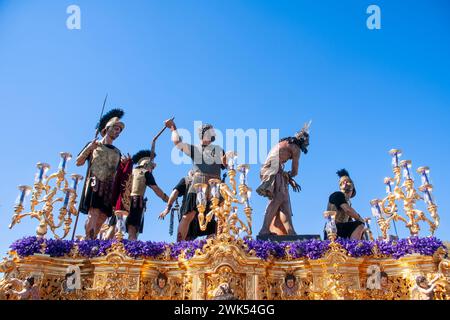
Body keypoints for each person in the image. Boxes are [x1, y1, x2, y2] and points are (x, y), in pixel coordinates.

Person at [164, 119, 227, 241]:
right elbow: (177, 142)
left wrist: (227, 158)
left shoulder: (218, 149)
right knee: (189, 215)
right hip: (199, 183)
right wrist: (173, 128)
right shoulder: (195, 149)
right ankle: (180, 246)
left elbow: (226, 165)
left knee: (219, 216)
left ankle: (217, 245)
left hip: (216, 185)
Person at [76, 109, 127, 239]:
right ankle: (88, 241)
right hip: (95, 182)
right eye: (115, 129)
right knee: (94, 212)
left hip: (109, 186)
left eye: (119, 131)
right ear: (107, 128)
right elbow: (79, 162)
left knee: (103, 216)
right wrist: (89, 148)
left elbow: (119, 172)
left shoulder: (117, 152)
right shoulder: (94, 145)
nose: (118, 132)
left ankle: (92, 239)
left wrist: (124, 164)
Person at [257, 122, 310, 236]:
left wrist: (289, 180)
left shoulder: (284, 143)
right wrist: (291, 177)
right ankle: (264, 229)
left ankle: (291, 231)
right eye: (307, 142)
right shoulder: (296, 148)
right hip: (273, 171)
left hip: (274, 171)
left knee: (285, 202)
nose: (307, 144)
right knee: (278, 198)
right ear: (302, 140)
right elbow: (295, 171)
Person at [125, 150, 169, 240]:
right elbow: (156, 189)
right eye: (151, 167)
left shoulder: (130, 170)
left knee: (117, 227)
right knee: (133, 230)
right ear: (146, 164)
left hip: (123, 200)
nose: (152, 169)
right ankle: (131, 251)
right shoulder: (146, 173)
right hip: (136, 202)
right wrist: (168, 199)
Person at [324, 169, 366, 240]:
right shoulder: (338, 195)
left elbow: (351, 222)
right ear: (340, 187)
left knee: (360, 229)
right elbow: (348, 210)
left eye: (348, 181)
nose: (345, 182)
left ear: (353, 186)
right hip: (333, 230)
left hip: (340, 230)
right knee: (360, 224)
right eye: (342, 182)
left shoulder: (348, 202)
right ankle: (354, 248)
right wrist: (360, 219)